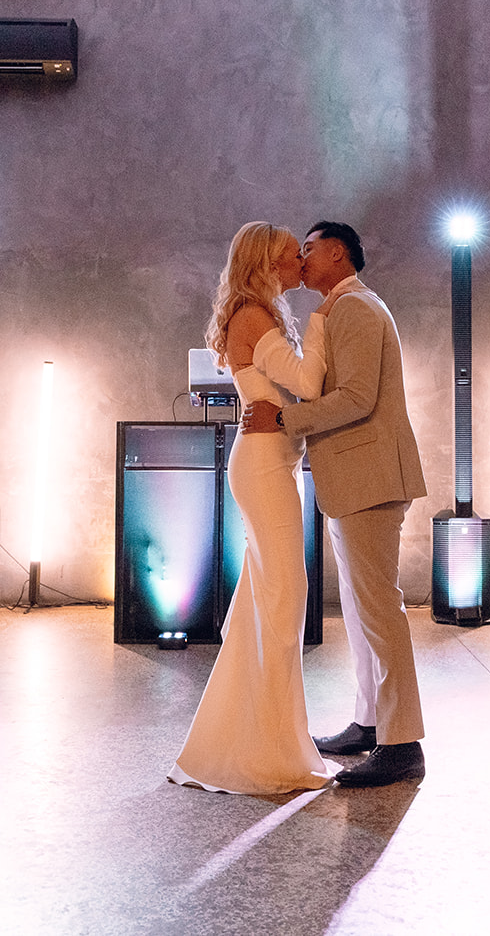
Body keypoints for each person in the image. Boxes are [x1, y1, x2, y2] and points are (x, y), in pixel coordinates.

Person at [241, 221, 428, 789]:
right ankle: (371, 723)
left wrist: (284, 418)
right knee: (361, 607)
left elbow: (355, 398)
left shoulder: (355, 310)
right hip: (355, 481)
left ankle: (403, 744)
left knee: (379, 610)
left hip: (370, 479)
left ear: (337, 251)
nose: (300, 257)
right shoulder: (342, 309)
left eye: (309, 247)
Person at [169, 221, 337, 794]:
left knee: (266, 603)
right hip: (264, 468)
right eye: (293, 257)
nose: (301, 266)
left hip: (269, 463)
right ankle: (272, 752)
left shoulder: (256, 312)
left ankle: (257, 740)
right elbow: (308, 383)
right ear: (268, 263)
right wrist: (323, 319)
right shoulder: (253, 315)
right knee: (286, 599)